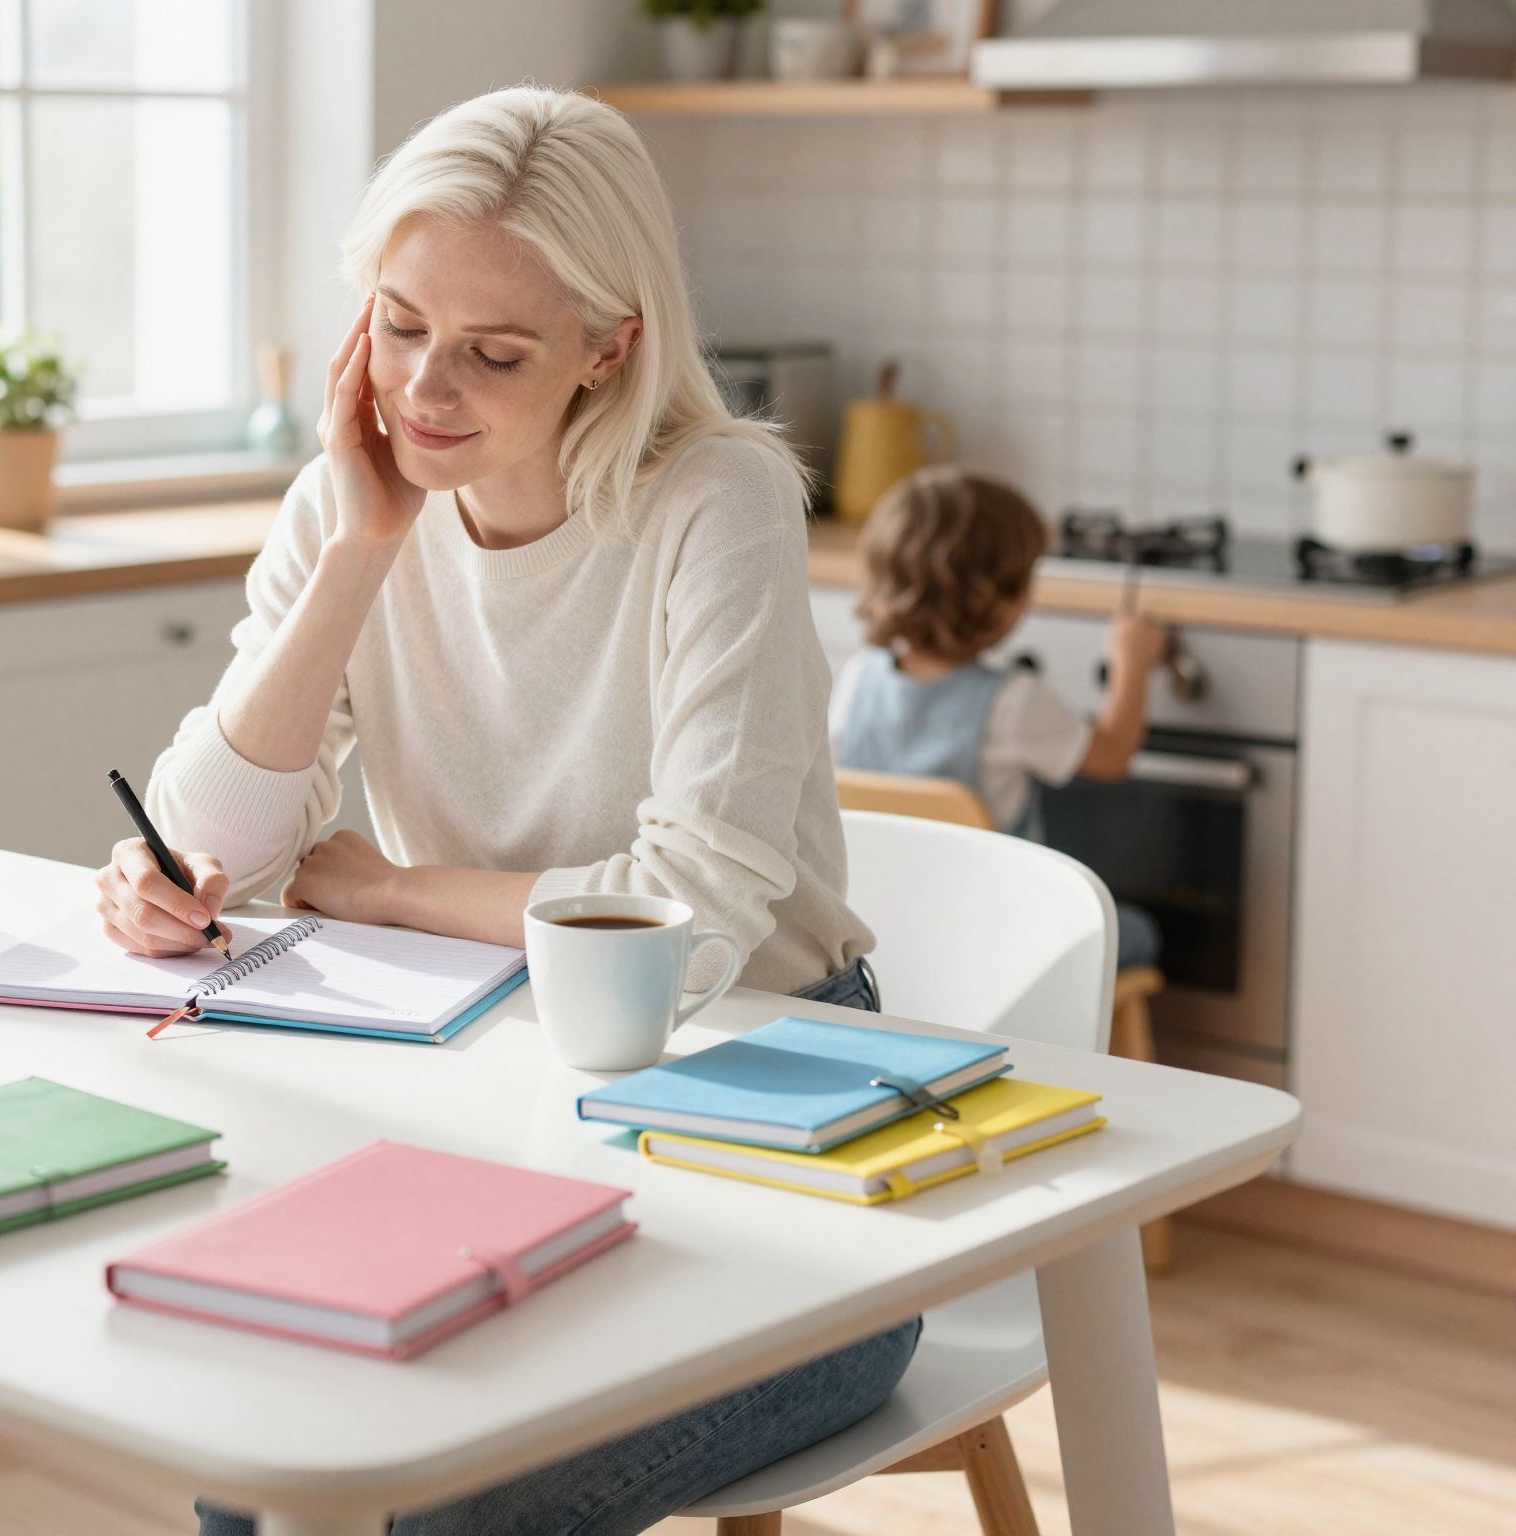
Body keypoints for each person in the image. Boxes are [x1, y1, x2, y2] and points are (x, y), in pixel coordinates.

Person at [92, 85, 917, 1536]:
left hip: (788, 1146)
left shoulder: (715, 500)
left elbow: (693, 919)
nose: (424, 390)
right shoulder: (352, 499)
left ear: (612, 349)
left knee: (425, 1519)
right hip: (499, 1085)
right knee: (270, 1485)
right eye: (400, 325)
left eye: (493, 352)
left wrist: (398, 890)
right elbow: (221, 842)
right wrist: (359, 551)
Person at [831, 467, 1168, 969]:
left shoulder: (858, 680)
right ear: (1002, 602)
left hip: (886, 937)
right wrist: (1132, 661)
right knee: (1138, 931)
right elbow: (1114, 754)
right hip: (994, 942)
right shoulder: (1014, 701)